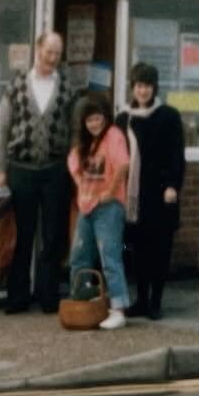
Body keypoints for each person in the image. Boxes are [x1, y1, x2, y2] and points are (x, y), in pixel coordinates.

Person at [0, 31, 79, 314]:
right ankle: (17, 297)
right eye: (48, 51)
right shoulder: (16, 86)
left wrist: (74, 167)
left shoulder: (67, 88)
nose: (52, 58)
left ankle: (48, 296)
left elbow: (76, 131)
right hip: (21, 171)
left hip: (55, 171)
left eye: (57, 53)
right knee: (22, 236)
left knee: (53, 237)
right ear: (38, 49)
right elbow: (0, 130)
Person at [117, 62, 186, 320]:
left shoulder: (168, 116)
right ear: (132, 88)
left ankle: (156, 302)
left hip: (160, 194)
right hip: (133, 196)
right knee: (136, 249)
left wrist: (172, 186)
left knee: (160, 249)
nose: (143, 91)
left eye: (147, 86)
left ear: (154, 88)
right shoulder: (123, 118)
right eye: (138, 86)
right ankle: (141, 300)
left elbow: (176, 155)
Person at [67, 92, 130, 331]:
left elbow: (123, 164)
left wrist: (111, 191)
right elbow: (73, 164)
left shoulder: (113, 135)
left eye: (98, 118)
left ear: (105, 118)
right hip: (86, 207)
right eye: (89, 120)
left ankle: (119, 309)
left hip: (109, 207)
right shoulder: (83, 143)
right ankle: (82, 304)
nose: (94, 123)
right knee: (79, 257)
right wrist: (82, 187)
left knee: (110, 257)